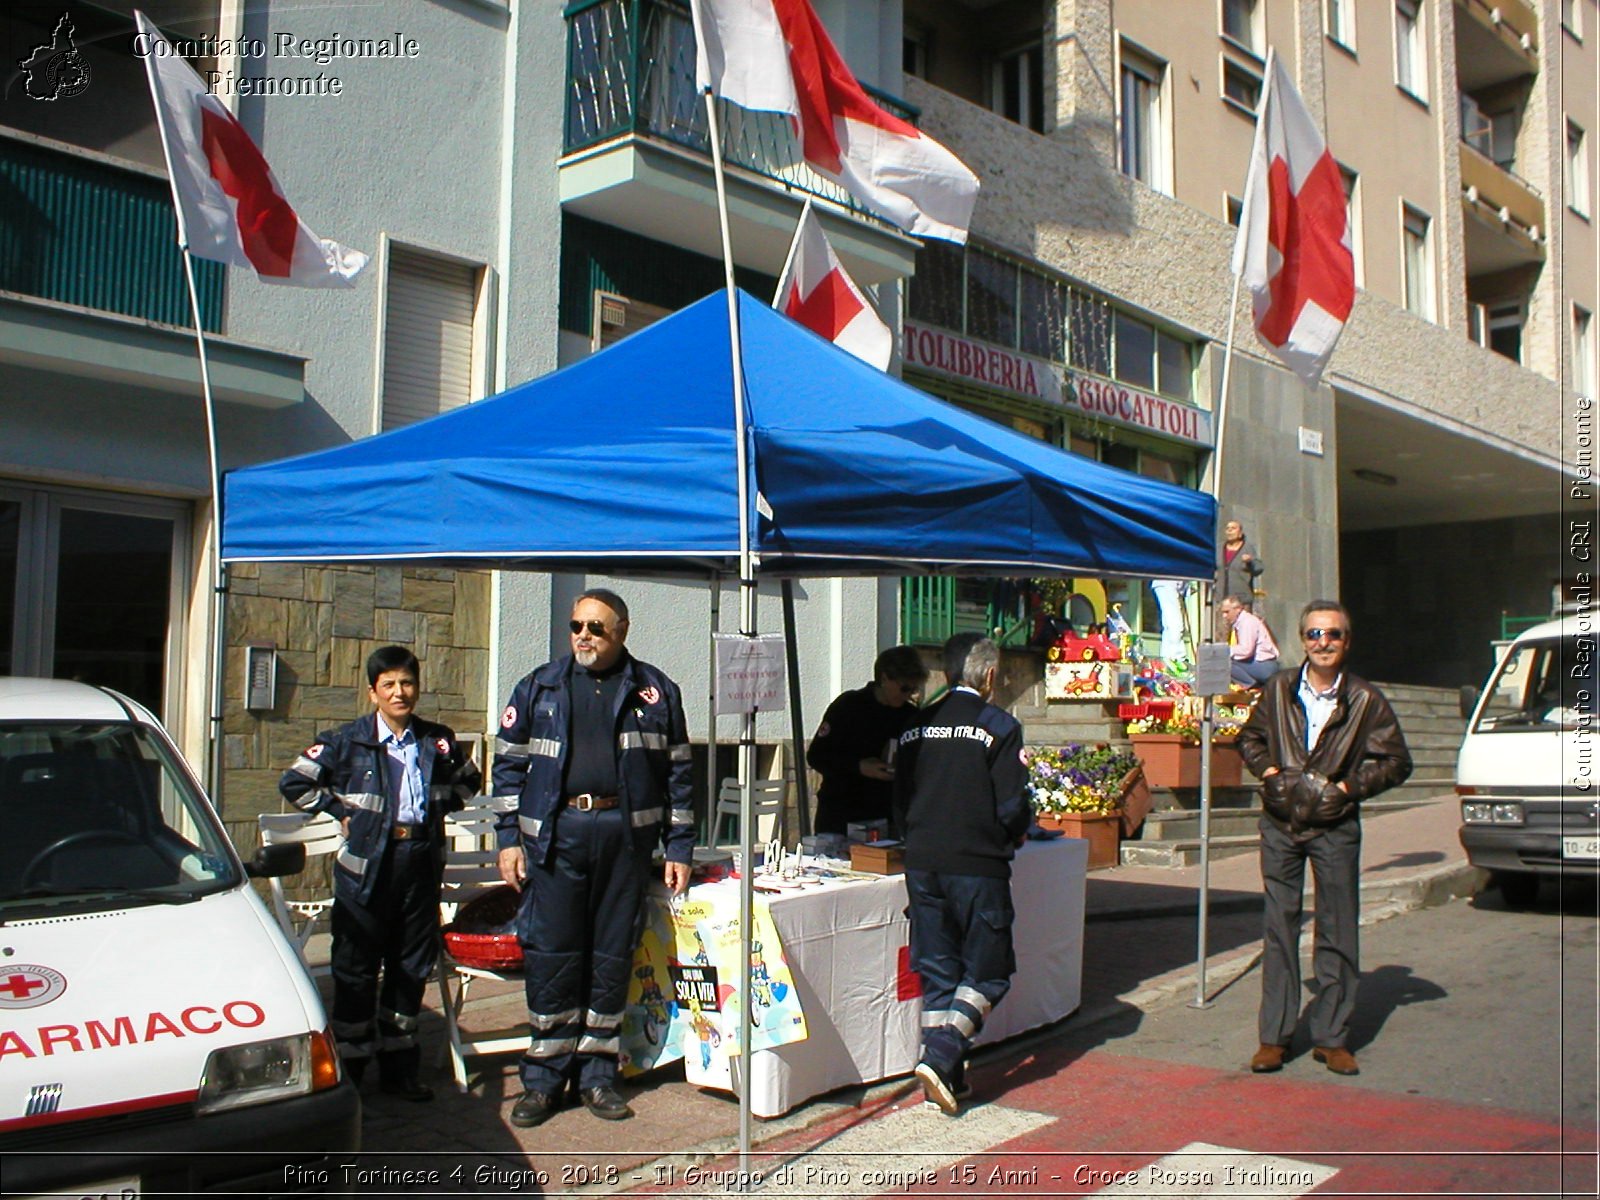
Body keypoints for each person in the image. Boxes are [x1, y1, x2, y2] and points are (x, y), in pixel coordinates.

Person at [493, 589, 694, 1127]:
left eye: (596, 627)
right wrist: (508, 839)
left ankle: (598, 1076)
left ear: (622, 631)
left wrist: (679, 847)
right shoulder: (540, 687)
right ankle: (543, 1077)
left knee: (611, 956)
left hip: (624, 839)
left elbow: (679, 776)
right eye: (577, 625)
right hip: (557, 838)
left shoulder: (655, 692)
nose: (583, 635)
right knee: (553, 954)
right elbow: (508, 768)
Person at [279, 645, 481, 1101]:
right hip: (366, 868)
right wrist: (338, 810)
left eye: (406, 683)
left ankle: (400, 1069)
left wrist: (436, 807)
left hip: (420, 863)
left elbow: (470, 780)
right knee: (356, 968)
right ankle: (351, 1070)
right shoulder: (345, 740)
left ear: (417, 687)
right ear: (373, 692)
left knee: (410, 968)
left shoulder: (436, 740)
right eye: (388, 684)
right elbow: (295, 781)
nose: (399, 692)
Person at [1237, 601, 1412, 1078]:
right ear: (1302, 640)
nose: (1323, 643)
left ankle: (1332, 1037)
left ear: (1346, 641)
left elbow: (1396, 762)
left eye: (1333, 635)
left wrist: (1348, 788)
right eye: (1315, 634)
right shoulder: (1276, 689)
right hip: (1279, 823)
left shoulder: (1365, 700)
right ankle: (1273, 1038)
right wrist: (1269, 771)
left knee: (1338, 929)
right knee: (1280, 927)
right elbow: (1249, 738)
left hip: (1334, 827)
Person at [892, 634, 1032, 1115]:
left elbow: (900, 800)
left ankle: (946, 1077)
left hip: (923, 861)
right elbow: (1012, 806)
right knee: (989, 971)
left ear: (946, 675)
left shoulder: (915, 726)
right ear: (989, 676)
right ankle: (944, 1051)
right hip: (977, 864)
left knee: (938, 971)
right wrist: (1014, 833)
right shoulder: (999, 725)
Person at [806, 645, 928, 835]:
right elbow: (817, 756)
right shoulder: (848, 706)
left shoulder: (911, 716)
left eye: (913, 689)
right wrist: (859, 767)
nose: (908, 695)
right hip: (841, 814)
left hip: (887, 817)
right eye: (904, 688)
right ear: (885, 678)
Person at [1219, 593, 1281, 687]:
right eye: (1223, 612)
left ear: (1238, 609)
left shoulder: (1247, 622)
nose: (1224, 616)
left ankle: (1250, 686)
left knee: (1224, 662)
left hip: (1265, 665)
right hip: (1261, 664)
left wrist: (1225, 650)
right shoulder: (1241, 622)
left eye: (1227, 612)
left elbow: (1246, 650)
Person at [1217, 519, 1264, 606]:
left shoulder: (1247, 548)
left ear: (1240, 533)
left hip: (1241, 600)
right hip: (1221, 600)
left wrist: (1250, 562)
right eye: (1227, 528)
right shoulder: (1219, 548)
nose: (1229, 530)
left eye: (1233, 528)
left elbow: (1259, 569)